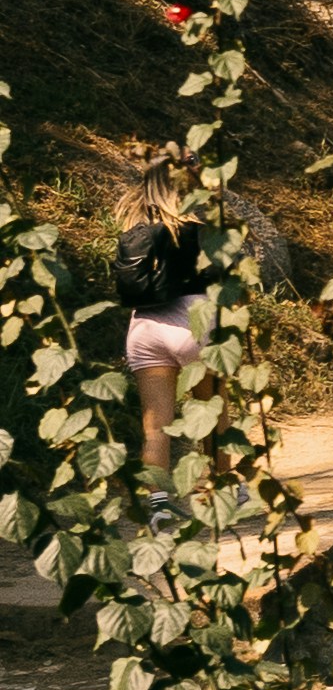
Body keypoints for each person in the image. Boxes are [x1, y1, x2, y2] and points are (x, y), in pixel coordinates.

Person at [111, 194, 210, 496]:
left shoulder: (132, 233)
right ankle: (227, 488)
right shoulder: (193, 229)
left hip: (143, 329)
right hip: (189, 321)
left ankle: (158, 505)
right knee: (213, 414)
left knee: (155, 428)